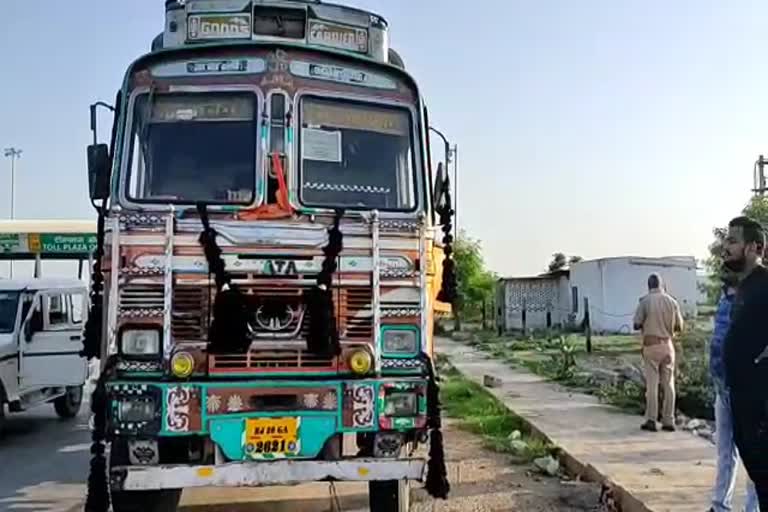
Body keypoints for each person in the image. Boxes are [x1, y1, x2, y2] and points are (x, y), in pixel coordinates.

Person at [722, 215, 768, 509]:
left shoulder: (765, 283)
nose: (725, 247)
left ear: (753, 247)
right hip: (741, 397)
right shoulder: (745, 286)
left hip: (761, 401)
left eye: (732, 241)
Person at [708, 273, 758, 512]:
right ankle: (719, 506)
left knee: (755, 454)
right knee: (725, 453)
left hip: (749, 390)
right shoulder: (725, 301)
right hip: (723, 387)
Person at [633, 273, 684, 432]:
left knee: (652, 385)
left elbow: (636, 324)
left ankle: (651, 419)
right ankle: (669, 420)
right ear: (661, 285)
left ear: (649, 286)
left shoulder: (645, 301)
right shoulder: (672, 301)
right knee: (669, 384)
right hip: (668, 345)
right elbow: (679, 327)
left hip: (651, 346)